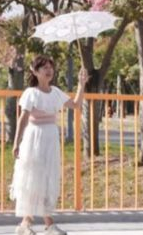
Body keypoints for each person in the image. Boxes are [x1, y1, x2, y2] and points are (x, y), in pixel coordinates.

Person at [10, 55, 88, 235]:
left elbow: (76, 105)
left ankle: (33, 224)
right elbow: (23, 118)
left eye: (50, 67)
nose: (48, 70)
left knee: (47, 178)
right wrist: (16, 142)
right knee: (32, 178)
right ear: (35, 72)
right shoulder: (31, 93)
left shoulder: (55, 92)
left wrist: (81, 84)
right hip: (34, 138)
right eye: (44, 67)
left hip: (50, 139)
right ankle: (34, 223)